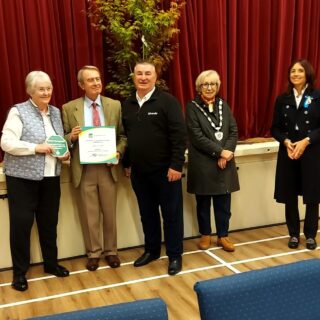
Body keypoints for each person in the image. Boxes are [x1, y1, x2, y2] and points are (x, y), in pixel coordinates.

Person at [1, 71, 70, 291]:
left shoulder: (56, 113)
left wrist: (65, 155)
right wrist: (36, 148)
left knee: (49, 224)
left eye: (49, 88)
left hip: (51, 177)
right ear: (30, 91)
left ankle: (51, 264)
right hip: (22, 179)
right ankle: (19, 274)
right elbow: (7, 143)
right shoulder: (18, 111)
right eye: (41, 89)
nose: (46, 92)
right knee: (21, 226)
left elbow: (59, 143)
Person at [122, 60, 187, 275]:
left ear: (155, 77)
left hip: (167, 172)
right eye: (139, 73)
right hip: (139, 173)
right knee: (147, 214)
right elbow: (128, 138)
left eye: (147, 74)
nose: (143, 77)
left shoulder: (168, 102)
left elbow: (179, 136)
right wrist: (127, 163)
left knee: (172, 215)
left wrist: (176, 165)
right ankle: (152, 250)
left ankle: (175, 255)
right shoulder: (128, 104)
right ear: (134, 77)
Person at [62, 66, 127, 271]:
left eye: (98, 79)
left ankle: (111, 252)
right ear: (81, 85)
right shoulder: (68, 108)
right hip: (84, 168)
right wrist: (70, 137)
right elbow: (61, 140)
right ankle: (93, 253)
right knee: (89, 214)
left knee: (109, 213)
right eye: (91, 80)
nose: (97, 83)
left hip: (108, 167)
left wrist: (117, 152)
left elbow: (123, 136)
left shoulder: (114, 105)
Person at [186, 70, 239, 252]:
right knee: (203, 204)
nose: (209, 88)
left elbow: (233, 131)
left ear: (218, 86)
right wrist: (220, 152)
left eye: (213, 84)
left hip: (225, 162)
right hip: (203, 163)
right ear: (199, 87)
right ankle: (205, 235)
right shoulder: (192, 107)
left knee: (224, 204)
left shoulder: (224, 105)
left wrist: (228, 152)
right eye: (205, 84)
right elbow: (197, 136)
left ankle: (223, 236)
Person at [271, 59, 320, 250]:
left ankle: (310, 235)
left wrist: (306, 141)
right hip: (289, 152)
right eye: (292, 71)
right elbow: (274, 128)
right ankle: (293, 234)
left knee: (312, 195)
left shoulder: (317, 96)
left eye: (300, 71)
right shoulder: (282, 99)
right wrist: (285, 141)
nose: (296, 74)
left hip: (312, 152)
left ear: (307, 74)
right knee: (290, 194)